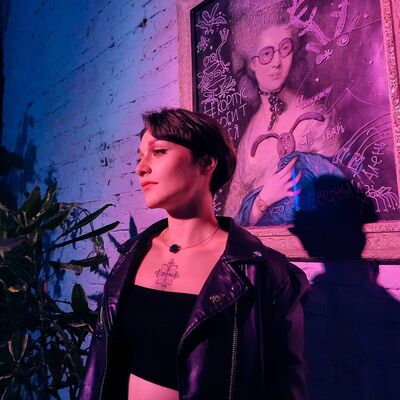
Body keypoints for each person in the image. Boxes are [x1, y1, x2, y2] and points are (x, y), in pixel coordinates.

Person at [79, 108, 309, 400]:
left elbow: (287, 388)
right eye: (140, 157)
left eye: (158, 152)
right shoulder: (130, 256)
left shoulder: (262, 273)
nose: (141, 168)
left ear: (206, 162)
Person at [224, 15, 342, 226]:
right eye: (267, 54)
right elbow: (234, 215)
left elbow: (336, 191)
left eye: (285, 48)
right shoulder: (248, 136)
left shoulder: (315, 116)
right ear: (252, 63)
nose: (277, 62)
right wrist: (263, 201)